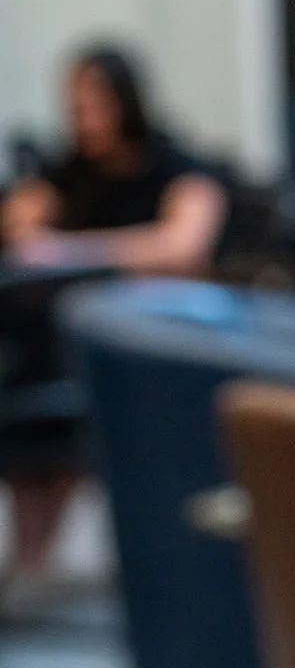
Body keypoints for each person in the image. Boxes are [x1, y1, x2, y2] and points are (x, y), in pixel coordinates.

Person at [1, 43, 229, 584]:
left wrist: (77, 250)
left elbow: (182, 245)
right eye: (74, 107)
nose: (84, 119)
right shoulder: (66, 173)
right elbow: (19, 230)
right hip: (52, 351)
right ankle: (30, 565)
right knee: (27, 401)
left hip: (148, 347)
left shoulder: (176, 167)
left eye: (94, 103)